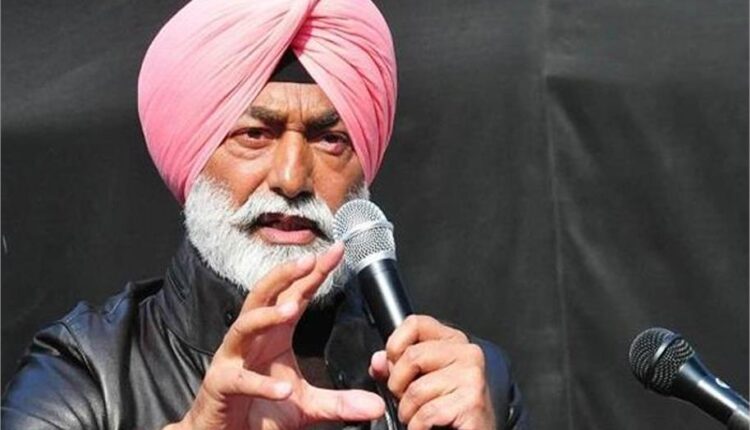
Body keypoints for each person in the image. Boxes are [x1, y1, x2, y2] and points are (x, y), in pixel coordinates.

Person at [2, 0, 526, 429]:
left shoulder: (465, 386)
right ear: (192, 153)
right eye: (255, 134)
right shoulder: (86, 377)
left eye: (330, 139)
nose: (292, 179)